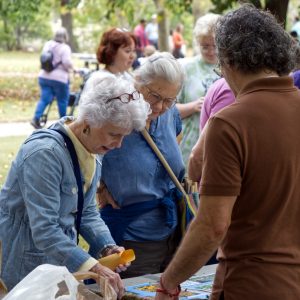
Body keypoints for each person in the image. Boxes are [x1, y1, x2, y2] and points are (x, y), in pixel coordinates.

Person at [154, 5, 300, 300]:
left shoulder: (229, 123)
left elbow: (212, 225)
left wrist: (168, 282)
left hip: (252, 284)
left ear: (229, 61)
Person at [0, 74, 150, 296]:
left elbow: (87, 211)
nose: (118, 145)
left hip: (55, 272)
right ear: (89, 121)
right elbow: (45, 229)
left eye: (123, 137)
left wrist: (107, 246)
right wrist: (94, 267)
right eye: (114, 135)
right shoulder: (45, 154)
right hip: (25, 273)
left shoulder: (91, 147)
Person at [97, 52, 185, 278]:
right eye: (154, 96)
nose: (160, 107)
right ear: (137, 81)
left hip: (172, 235)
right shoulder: (115, 107)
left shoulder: (169, 113)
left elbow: (175, 144)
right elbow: (82, 147)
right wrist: (99, 188)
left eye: (169, 100)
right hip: (130, 240)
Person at [176, 13, 220, 166]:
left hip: (223, 146)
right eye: (205, 46)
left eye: (215, 45)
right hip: (190, 146)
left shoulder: (234, 68)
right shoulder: (185, 68)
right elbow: (166, 110)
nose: (211, 51)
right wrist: (193, 106)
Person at [31, 27, 74, 129]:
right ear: (65, 37)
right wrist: (73, 68)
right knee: (62, 100)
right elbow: (66, 62)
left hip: (44, 76)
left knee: (44, 99)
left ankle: (36, 118)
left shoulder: (47, 45)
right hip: (60, 79)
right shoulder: (65, 48)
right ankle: (63, 122)